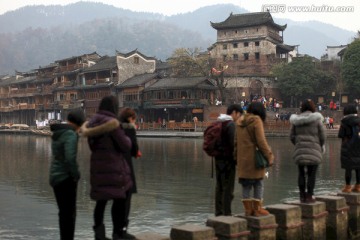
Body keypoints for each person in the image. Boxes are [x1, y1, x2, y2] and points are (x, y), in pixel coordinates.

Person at [80, 96, 133, 240]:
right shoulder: (113, 124)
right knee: (120, 199)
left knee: (101, 202)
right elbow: (125, 145)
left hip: (97, 166)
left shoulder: (92, 123)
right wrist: (128, 137)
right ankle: (118, 232)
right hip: (114, 167)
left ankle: (99, 235)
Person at [49, 109, 85, 240]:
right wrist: (76, 174)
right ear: (78, 123)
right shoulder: (70, 134)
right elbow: (70, 158)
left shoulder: (59, 132)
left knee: (63, 213)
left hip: (55, 176)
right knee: (70, 214)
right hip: (65, 178)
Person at [234, 102, 274, 216]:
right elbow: (261, 142)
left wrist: (235, 158)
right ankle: (257, 209)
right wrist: (269, 156)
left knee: (246, 185)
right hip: (254, 160)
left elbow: (235, 143)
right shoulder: (256, 121)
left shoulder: (239, 122)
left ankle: (247, 210)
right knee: (258, 183)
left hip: (242, 160)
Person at [290, 99, 326, 203]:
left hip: (300, 150)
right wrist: (320, 145)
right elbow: (322, 135)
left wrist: (297, 144)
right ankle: (310, 196)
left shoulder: (296, 121)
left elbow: (291, 136)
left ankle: (302, 196)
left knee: (301, 173)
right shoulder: (317, 120)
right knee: (312, 174)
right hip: (314, 151)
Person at [214, 104, 243, 216]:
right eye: (239, 114)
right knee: (228, 188)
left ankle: (218, 212)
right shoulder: (230, 125)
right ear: (234, 112)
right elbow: (233, 144)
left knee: (219, 186)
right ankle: (227, 213)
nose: (239, 117)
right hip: (228, 160)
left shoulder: (219, 122)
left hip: (218, 160)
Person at [118, 108, 142, 239]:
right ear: (130, 118)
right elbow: (134, 150)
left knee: (117, 201)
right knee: (126, 201)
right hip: (126, 168)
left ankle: (116, 232)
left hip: (114, 169)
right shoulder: (129, 129)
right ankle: (123, 230)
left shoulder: (115, 129)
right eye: (134, 119)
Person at [338, 104, 360, 193]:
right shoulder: (359, 121)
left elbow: (340, 135)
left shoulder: (344, 122)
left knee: (348, 168)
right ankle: (358, 186)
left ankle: (348, 187)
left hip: (348, 148)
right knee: (358, 168)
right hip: (358, 148)